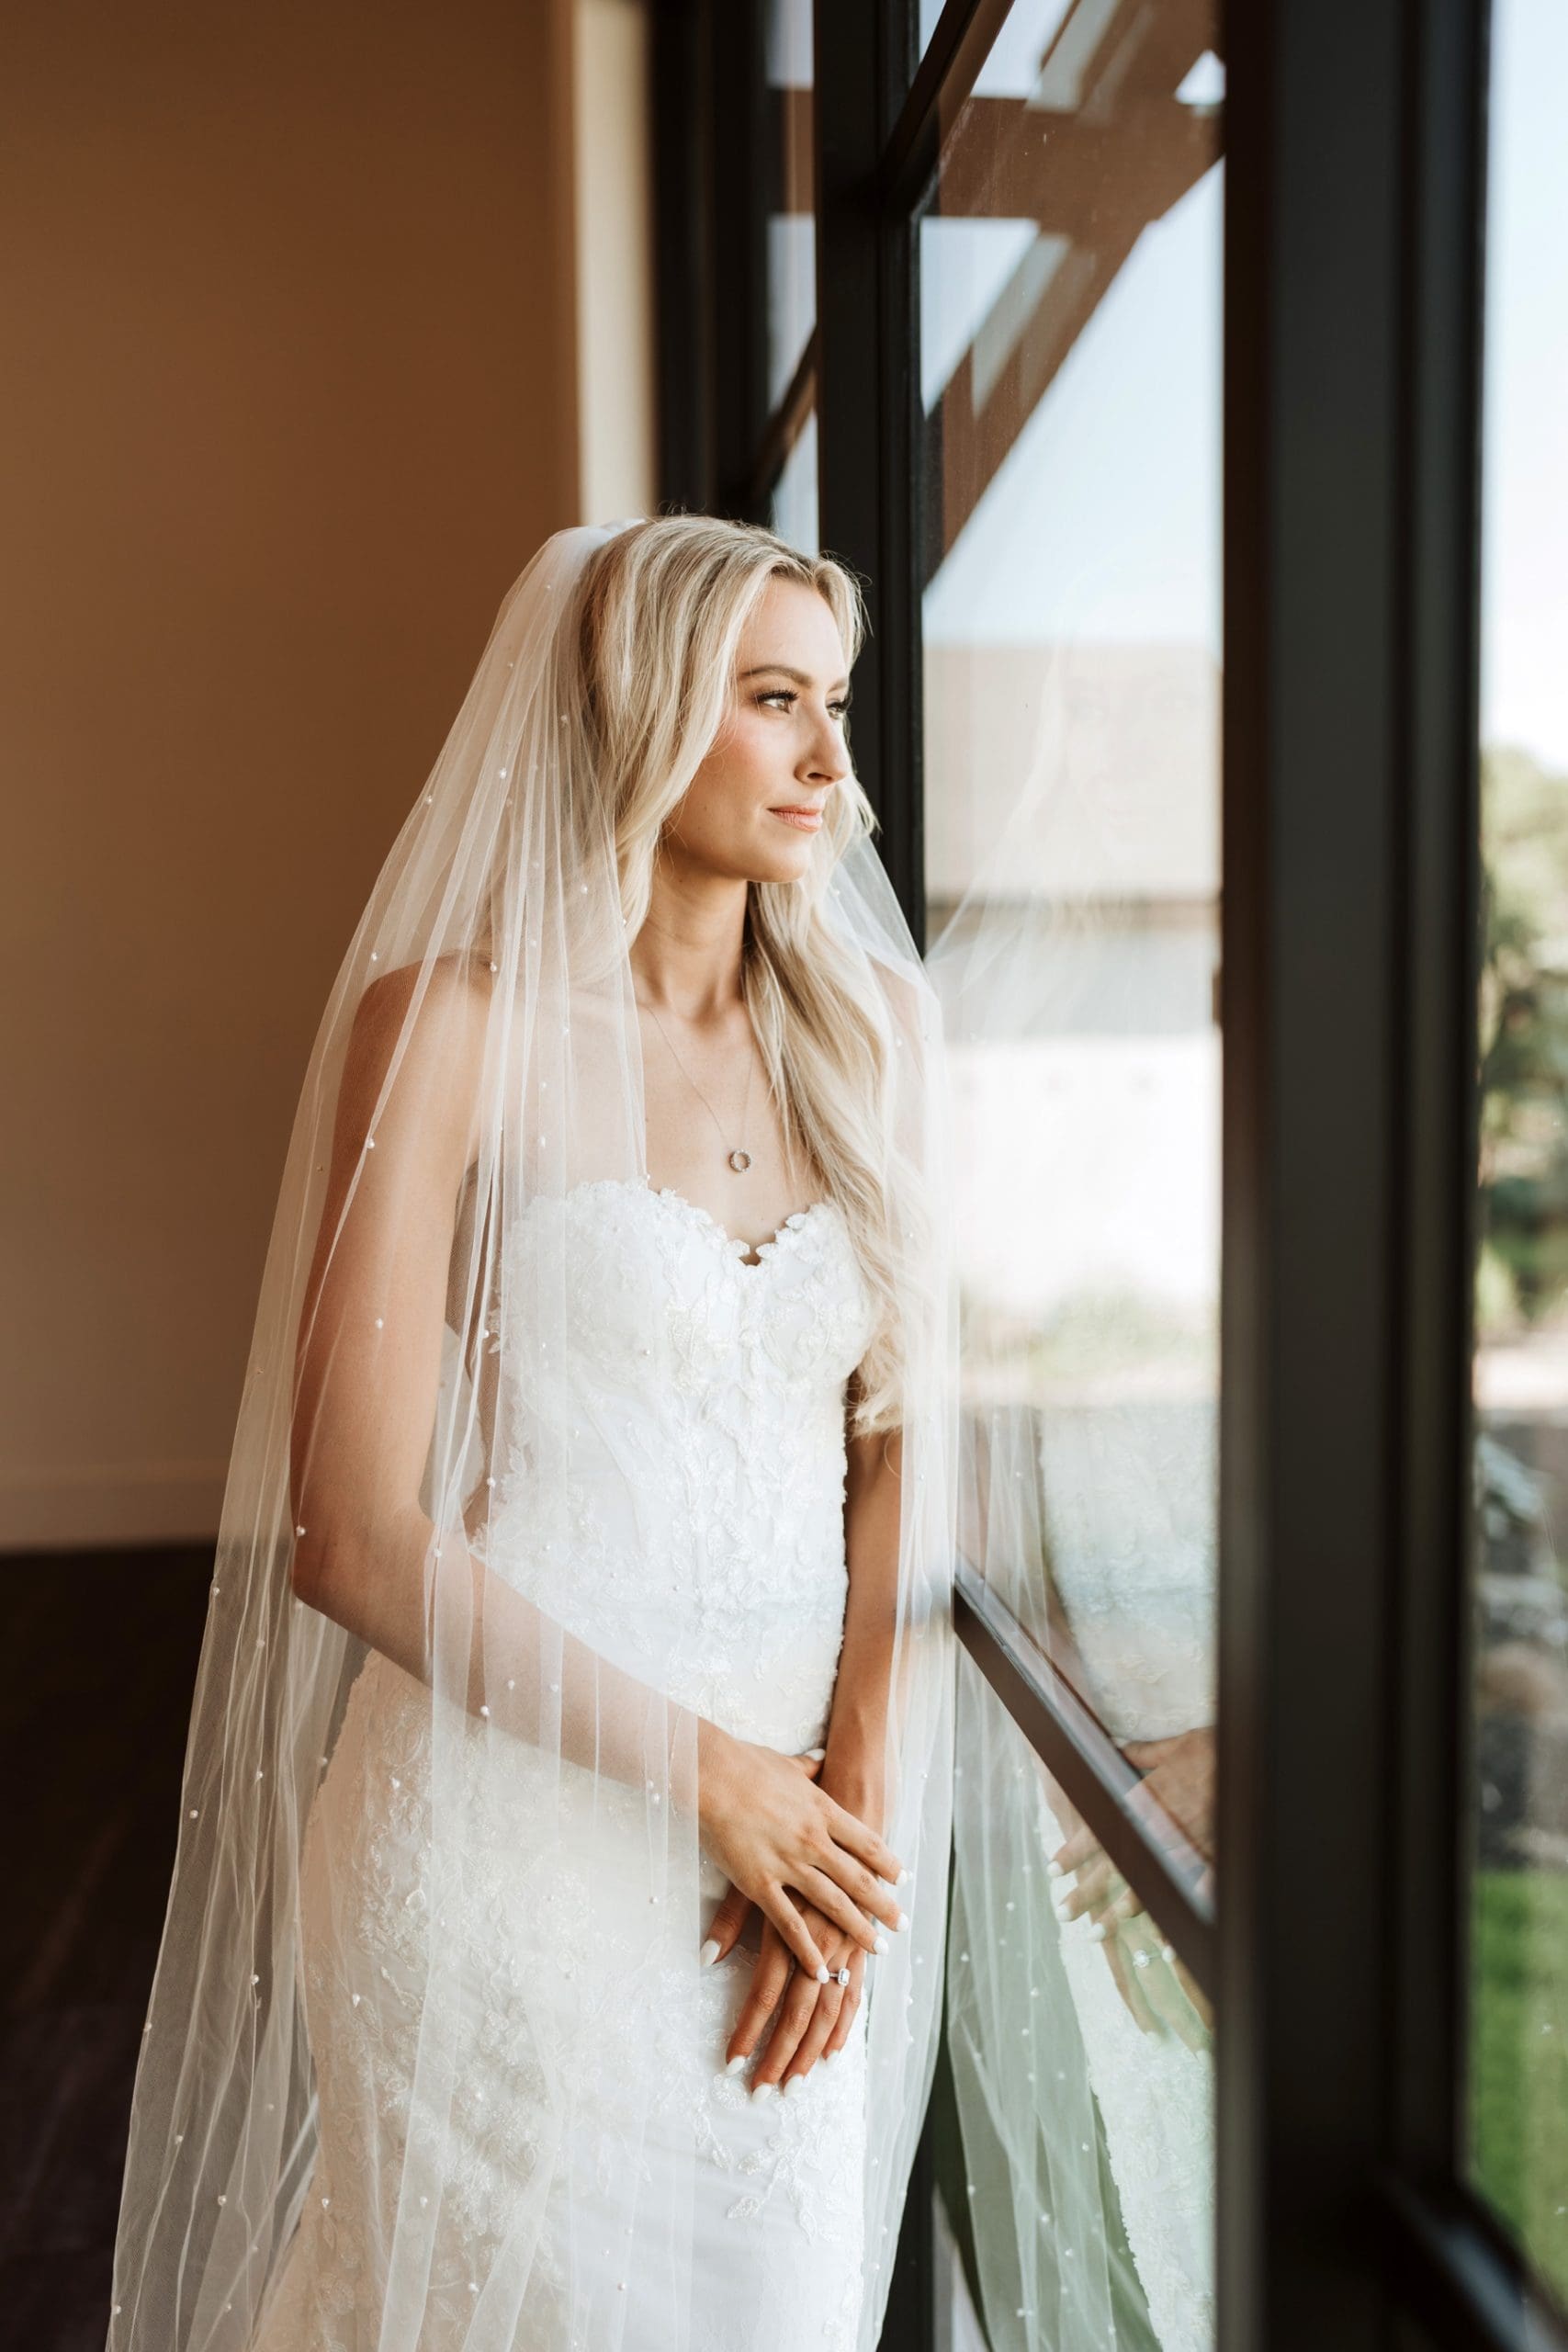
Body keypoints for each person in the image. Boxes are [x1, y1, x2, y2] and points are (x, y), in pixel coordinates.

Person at [106, 514, 958, 2351]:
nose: (831, 760)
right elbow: (350, 1530)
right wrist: (718, 1777)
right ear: (641, 708)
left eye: (834, 705)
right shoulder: (452, 1031)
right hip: (495, 1855)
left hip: (784, 1862)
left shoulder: (879, 1035)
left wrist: (851, 1804)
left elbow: (903, 1442)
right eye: (773, 701)